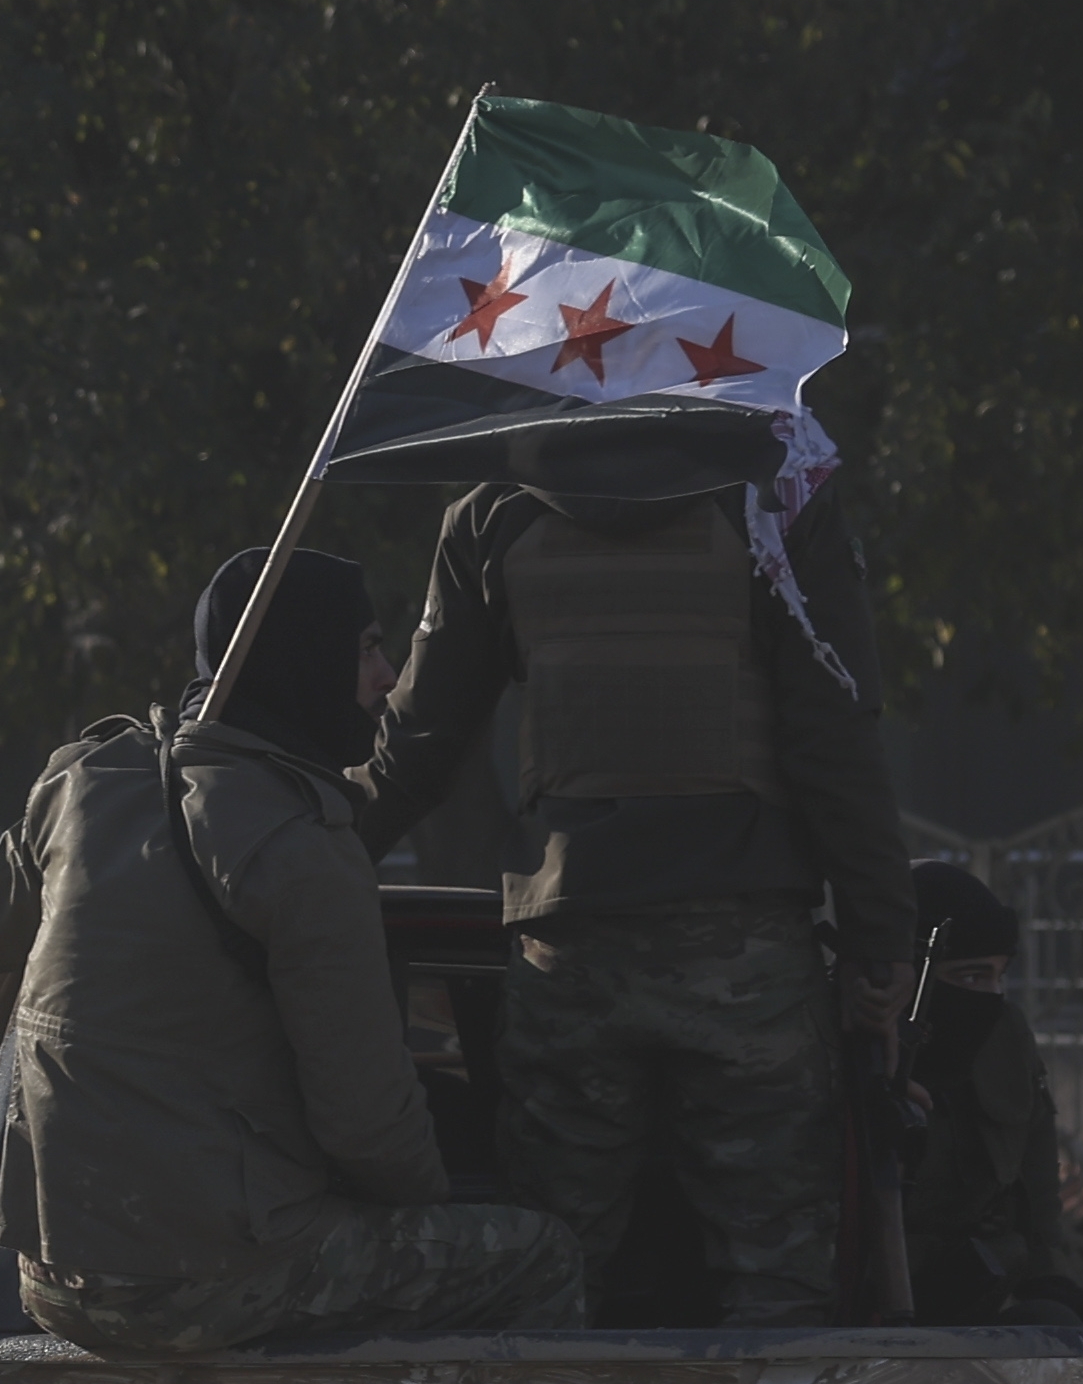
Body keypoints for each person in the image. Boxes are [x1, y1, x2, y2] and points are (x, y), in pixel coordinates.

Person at [0, 546, 584, 1355]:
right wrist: (434, 1205)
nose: (387, 677)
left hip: (52, 1275)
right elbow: (369, 1127)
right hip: (205, 1281)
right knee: (540, 1256)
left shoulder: (86, 778)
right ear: (301, 659)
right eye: (367, 648)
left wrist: (56, 821)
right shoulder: (304, 844)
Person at [350, 467, 916, 1323]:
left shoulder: (496, 510)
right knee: (780, 1293)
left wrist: (293, 857)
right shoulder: (777, 498)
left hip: (567, 954)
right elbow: (835, 741)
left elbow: (416, 745)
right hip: (747, 959)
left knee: (549, 1280)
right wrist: (881, 942)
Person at [898, 856, 1083, 1323]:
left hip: (976, 1285)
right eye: (970, 977)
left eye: (999, 976)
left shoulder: (1002, 1034)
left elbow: (1033, 1173)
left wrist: (1046, 1276)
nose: (990, 996)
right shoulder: (849, 1048)